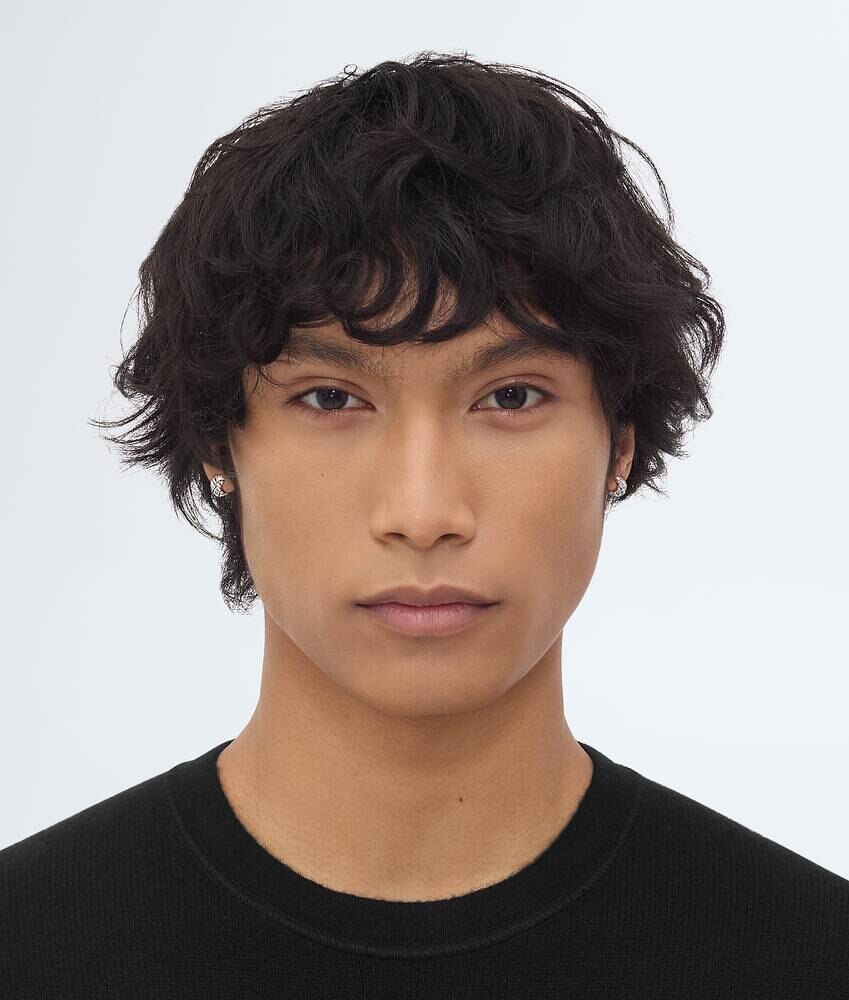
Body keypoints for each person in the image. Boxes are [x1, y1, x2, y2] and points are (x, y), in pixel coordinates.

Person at [2, 51, 847, 997]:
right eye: (330, 397)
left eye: (511, 396)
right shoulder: (31, 945)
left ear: (620, 441)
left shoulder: (808, 956)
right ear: (214, 440)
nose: (423, 514)